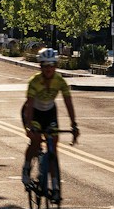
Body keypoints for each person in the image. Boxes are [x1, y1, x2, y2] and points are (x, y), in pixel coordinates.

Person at [21, 48, 78, 186]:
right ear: (40, 66)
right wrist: (29, 127)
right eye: (45, 65)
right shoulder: (34, 82)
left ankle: (54, 184)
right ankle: (27, 167)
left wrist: (74, 124)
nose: (49, 69)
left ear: (56, 66)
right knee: (35, 141)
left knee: (53, 144)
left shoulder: (59, 81)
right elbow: (29, 106)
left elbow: (68, 103)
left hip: (50, 112)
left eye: (52, 65)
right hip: (33, 112)